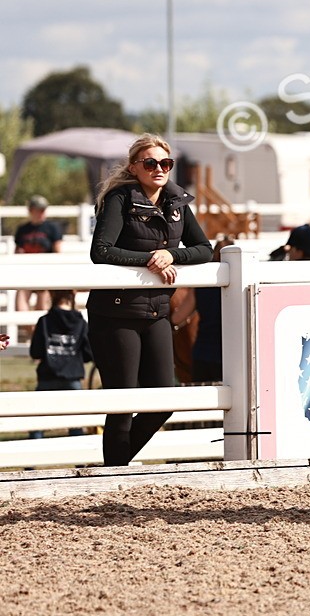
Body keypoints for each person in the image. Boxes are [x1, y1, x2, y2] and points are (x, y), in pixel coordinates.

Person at [88, 133, 212, 466]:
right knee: (124, 402)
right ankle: (114, 475)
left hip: (157, 312)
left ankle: (116, 465)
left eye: (165, 163)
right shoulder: (119, 198)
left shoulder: (177, 203)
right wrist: (149, 260)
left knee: (164, 400)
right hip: (115, 315)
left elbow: (205, 248)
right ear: (134, 167)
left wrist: (171, 255)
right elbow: (100, 251)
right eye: (151, 163)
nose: (159, 168)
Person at [28, 290, 92, 439]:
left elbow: (35, 352)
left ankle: (30, 459)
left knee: (38, 421)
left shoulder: (44, 321)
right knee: (75, 422)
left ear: (52, 296)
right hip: (72, 378)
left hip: (47, 377)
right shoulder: (81, 323)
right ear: (73, 296)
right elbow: (89, 353)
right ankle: (80, 460)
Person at [13, 194, 63, 337]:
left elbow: (58, 251)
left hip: (45, 273)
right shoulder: (22, 230)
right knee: (20, 307)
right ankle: (36, 338)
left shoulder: (52, 228)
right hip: (27, 273)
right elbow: (17, 252)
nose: (41, 213)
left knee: (42, 307)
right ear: (31, 211)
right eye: (38, 210)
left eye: (43, 210)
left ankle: (40, 341)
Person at [191, 237, 234, 383]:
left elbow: (178, 317)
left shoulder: (203, 282)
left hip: (202, 351)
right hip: (228, 355)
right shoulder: (239, 285)